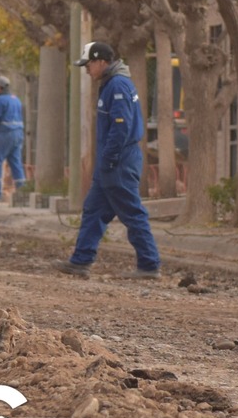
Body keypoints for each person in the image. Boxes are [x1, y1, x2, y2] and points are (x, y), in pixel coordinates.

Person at [58, 41, 162, 279]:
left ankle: (149, 264)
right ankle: (81, 261)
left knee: (132, 212)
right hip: (112, 161)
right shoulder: (111, 84)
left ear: (101, 62)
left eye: (88, 65)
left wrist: (110, 159)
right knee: (94, 210)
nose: (86, 70)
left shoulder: (117, 86)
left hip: (119, 161)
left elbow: (120, 128)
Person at [0, 75, 26, 201]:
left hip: (5, 134)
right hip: (18, 133)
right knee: (16, 163)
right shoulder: (16, 99)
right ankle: (22, 193)